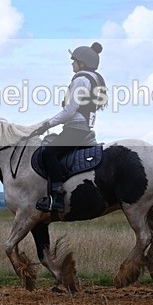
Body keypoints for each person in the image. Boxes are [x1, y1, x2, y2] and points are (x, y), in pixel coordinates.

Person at [32, 42, 107, 213]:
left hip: (76, 128)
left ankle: (57, 198)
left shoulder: (81, 80)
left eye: (74, 61)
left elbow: (70, 110)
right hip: (84, 126)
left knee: (48, 152)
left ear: (83, 63)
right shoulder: (94, 79)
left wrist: (47, 124)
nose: (72, 63)